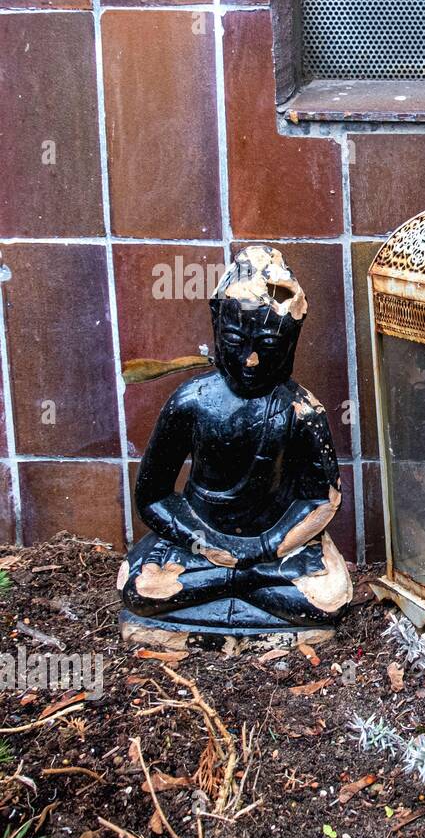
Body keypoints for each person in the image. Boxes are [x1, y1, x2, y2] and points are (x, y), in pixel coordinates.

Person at [119, 246, 352, 633]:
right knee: (138, 589)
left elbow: (322, 501)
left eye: (269, 346)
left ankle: (231, 584)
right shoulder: (191, 401)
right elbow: (153, 496)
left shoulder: (301, 410)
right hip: (197, 545)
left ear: (291, 342)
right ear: (216, 327)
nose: (251, 360)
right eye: (234, 339)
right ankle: (243, 585)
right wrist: (202, 540)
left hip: (275, 547)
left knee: (330, 599)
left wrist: (262, 548)